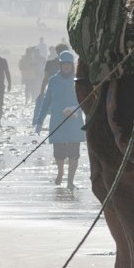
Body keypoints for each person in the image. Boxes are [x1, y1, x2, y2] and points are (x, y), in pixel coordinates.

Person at [32, 48, 84, 188]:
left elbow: (86, 100)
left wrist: (76, 109)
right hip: (57, 121)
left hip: (74, 122)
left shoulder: (78, 80)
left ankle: (70, 181)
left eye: (69, 63)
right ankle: (60, 172)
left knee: (74, 153)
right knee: (59, 153)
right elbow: (46, 102)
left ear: (72, 65)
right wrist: (39, 121)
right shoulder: (53, 81)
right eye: (64, 63)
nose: (66, 66)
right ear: (60, 65)